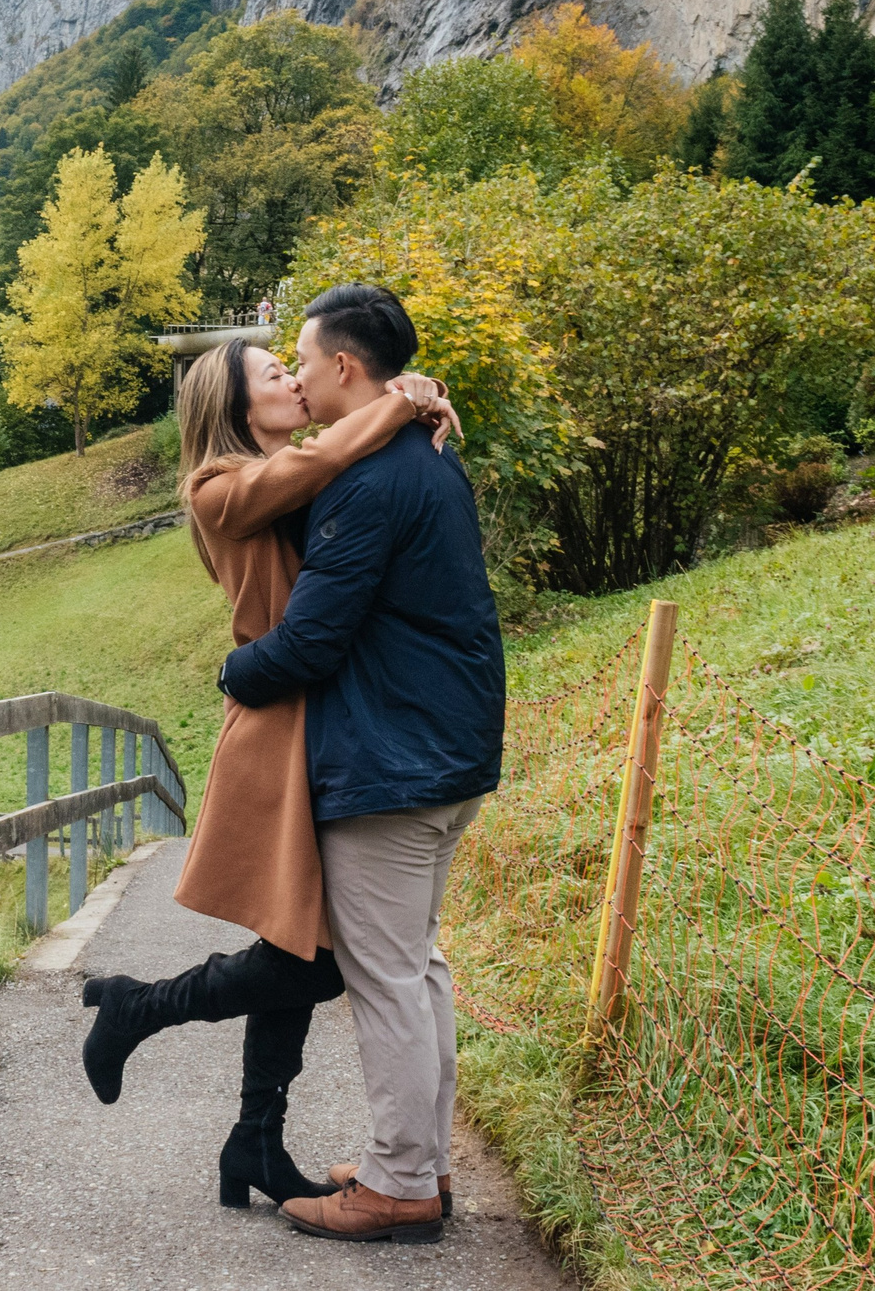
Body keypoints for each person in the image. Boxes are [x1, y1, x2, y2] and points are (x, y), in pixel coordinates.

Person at [80, 336, 456, 1210]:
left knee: (301, 943)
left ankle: (254, 1138)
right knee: (318, 958)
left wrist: (420, 399)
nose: (293, 378)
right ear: (236, 407)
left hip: (315, 716)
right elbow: (328, 456)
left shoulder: (291, 469)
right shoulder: (218, 488)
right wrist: (399, 401)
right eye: (273, 374)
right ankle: (141, 1007)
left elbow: (347, 474)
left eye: (294, 367)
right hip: (277, 723)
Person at [220, 285, 505, 1246]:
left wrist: (234, 670)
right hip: (446, 753)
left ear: (345, 367)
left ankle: (396, 1188)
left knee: (387, 976)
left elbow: (308, 642)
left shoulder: (371, 478)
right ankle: (415, 1160)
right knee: (417, 967)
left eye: (300, 359)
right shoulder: (428, 453)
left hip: (393, 763)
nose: (295, 374)